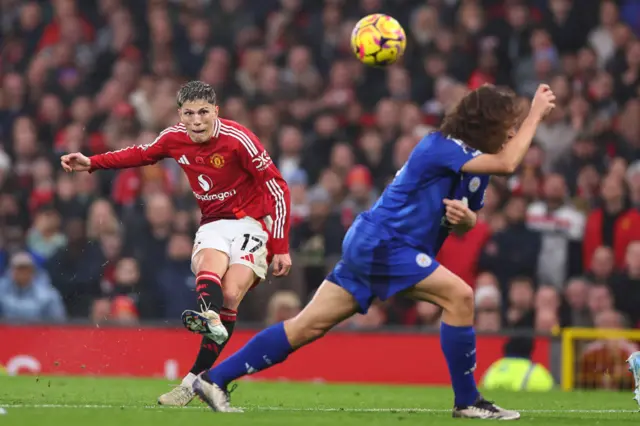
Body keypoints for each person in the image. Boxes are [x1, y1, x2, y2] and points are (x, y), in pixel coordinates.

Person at [191, 84, 556, 420]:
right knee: (460, 296)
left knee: (306, 326)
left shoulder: (477, 167)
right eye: (510, 124)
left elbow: (465, 222)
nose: (513, 132)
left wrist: (466, 219)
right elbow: (510, 163)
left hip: (375, 244)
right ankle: (468, 402)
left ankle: (214, 379)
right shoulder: (439, 144)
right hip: (385, 243)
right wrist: (536, 113)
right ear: (486, 124)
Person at [59, 81, 292, 406]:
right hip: (214, 223)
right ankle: (208, 336)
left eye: (203, 113)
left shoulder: (238, 139)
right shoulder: (173, 138)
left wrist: (280, 245)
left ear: (216, 112)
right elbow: (140, 154)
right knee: (210, 274)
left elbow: (278, 188)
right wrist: (93, 162)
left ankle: (193, 380)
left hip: (253, 224)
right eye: (189, 113)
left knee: (229, 296)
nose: (196, 121)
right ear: (180, 115)